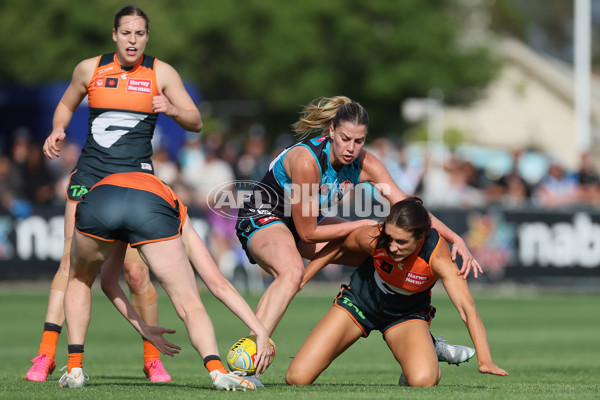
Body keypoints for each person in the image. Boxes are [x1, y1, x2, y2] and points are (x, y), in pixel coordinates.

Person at [235, 96, 483, 382]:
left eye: (359, 141)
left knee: (384, 249)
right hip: (264, 216)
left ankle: (421, 341)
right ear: (330, 131)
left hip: (304, 223)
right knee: (291, 271)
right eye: (345, 139)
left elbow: (409, 208)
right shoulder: (307, 161)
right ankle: (247, 365)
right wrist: (361, 224)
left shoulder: (365, 163)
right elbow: (307, 234)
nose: (351, 148)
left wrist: (455, 239)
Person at [28, 5, 202, 383]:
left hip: (137, 183)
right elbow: (66, 103)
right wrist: (58, 128)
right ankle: (46, 355)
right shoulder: (89, 68)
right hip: (89, 177)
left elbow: (196, 121)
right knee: (70, 265)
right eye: (126, 33)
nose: (133, 40)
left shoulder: (161, 73)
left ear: (147, 37)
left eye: (140, 34)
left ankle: (152, 358)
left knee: (137, 274)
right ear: (114, 35)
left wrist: (172, 108)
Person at [58, 172, 273, 390]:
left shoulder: (113, 187)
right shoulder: (174, 202)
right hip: (150, 204)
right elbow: (218, 284)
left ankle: (74, 370)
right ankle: (217, 371)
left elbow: (108, 283)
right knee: (190, 303)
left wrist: (143, 327)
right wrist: (259, 330)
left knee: (79, 280)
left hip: (101, 199)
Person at [286, 198, 508, 386]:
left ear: (421, 237)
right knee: (297, 378)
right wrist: (304, 277)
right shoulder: (377, 236)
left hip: (405, 316)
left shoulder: (438, 257)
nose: (392, 247)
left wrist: (485, 359)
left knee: (423, 381)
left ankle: (427, 347)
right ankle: (425, 348)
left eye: (402, 242)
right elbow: (340, 246)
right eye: (390, 239)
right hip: (360, 303)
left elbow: (467, 309)